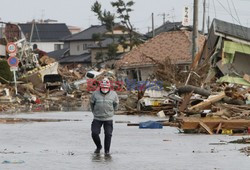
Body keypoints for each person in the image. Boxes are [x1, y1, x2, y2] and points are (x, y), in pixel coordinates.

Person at [90, 78, 119, 155]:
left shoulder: (114, 94)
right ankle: (99, 146)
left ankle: (107, 151)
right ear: (100, 87)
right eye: (103, 87)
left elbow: (116, 105)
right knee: (94, 133)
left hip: (108, 118)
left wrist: (112, 112)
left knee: (108, 134)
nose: (105, 89)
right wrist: (95, 112)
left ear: (109, 87)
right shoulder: (95, 94)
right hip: (97, 118)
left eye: (106, 88)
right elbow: (92, 104)